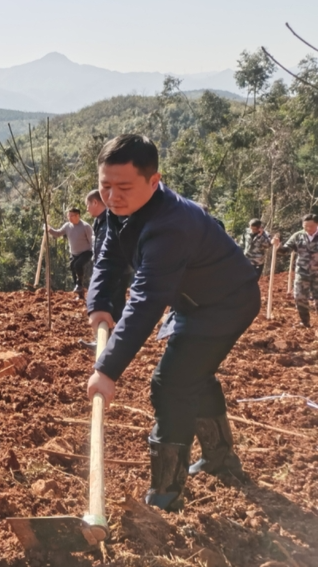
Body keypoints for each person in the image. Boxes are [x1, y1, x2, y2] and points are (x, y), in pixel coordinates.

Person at [86, 134, 259, 512]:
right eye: (105, 186)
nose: (112, 197)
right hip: (195, 299)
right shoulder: (124, 211)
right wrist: (99, 304)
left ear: (154, 180)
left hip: (225, 303)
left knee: (172, 383)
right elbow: (108, 258)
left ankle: (166, 493)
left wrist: (107, 369)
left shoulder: (170, 226)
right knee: (193, 373)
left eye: (123, 187)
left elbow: (146, 301)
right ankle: (221, 460)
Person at [87, 189, 130, 323]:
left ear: (95, 202)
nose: (87, 210)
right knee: (110, 306)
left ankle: (113, 339)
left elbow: (112, 252)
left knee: (115, 306)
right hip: (108, 269)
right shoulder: (101, 220)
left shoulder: (110, 219)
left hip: (116, 272)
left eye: (87, 205)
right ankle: (108, 339)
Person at [273, 215, 318, 329]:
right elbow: (285, 250)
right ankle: (305, 322)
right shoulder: (298, 236)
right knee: (299, 297)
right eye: (305, 226)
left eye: (311, 226)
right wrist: (278, 246)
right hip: (302, 272)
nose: (308, 228)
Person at [47, 207, 94, 295]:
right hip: (74, 253)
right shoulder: (67, 226)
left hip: (86, 252)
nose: (69, 217)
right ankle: (79, 289)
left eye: (71, 216)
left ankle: (79, 284)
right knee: (72, 266)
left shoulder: (85, 226)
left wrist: (95, 253)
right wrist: (49, 229)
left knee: (78, 265)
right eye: (68, 215)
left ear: (77, 216)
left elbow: (92, 240)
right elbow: (58, 233)